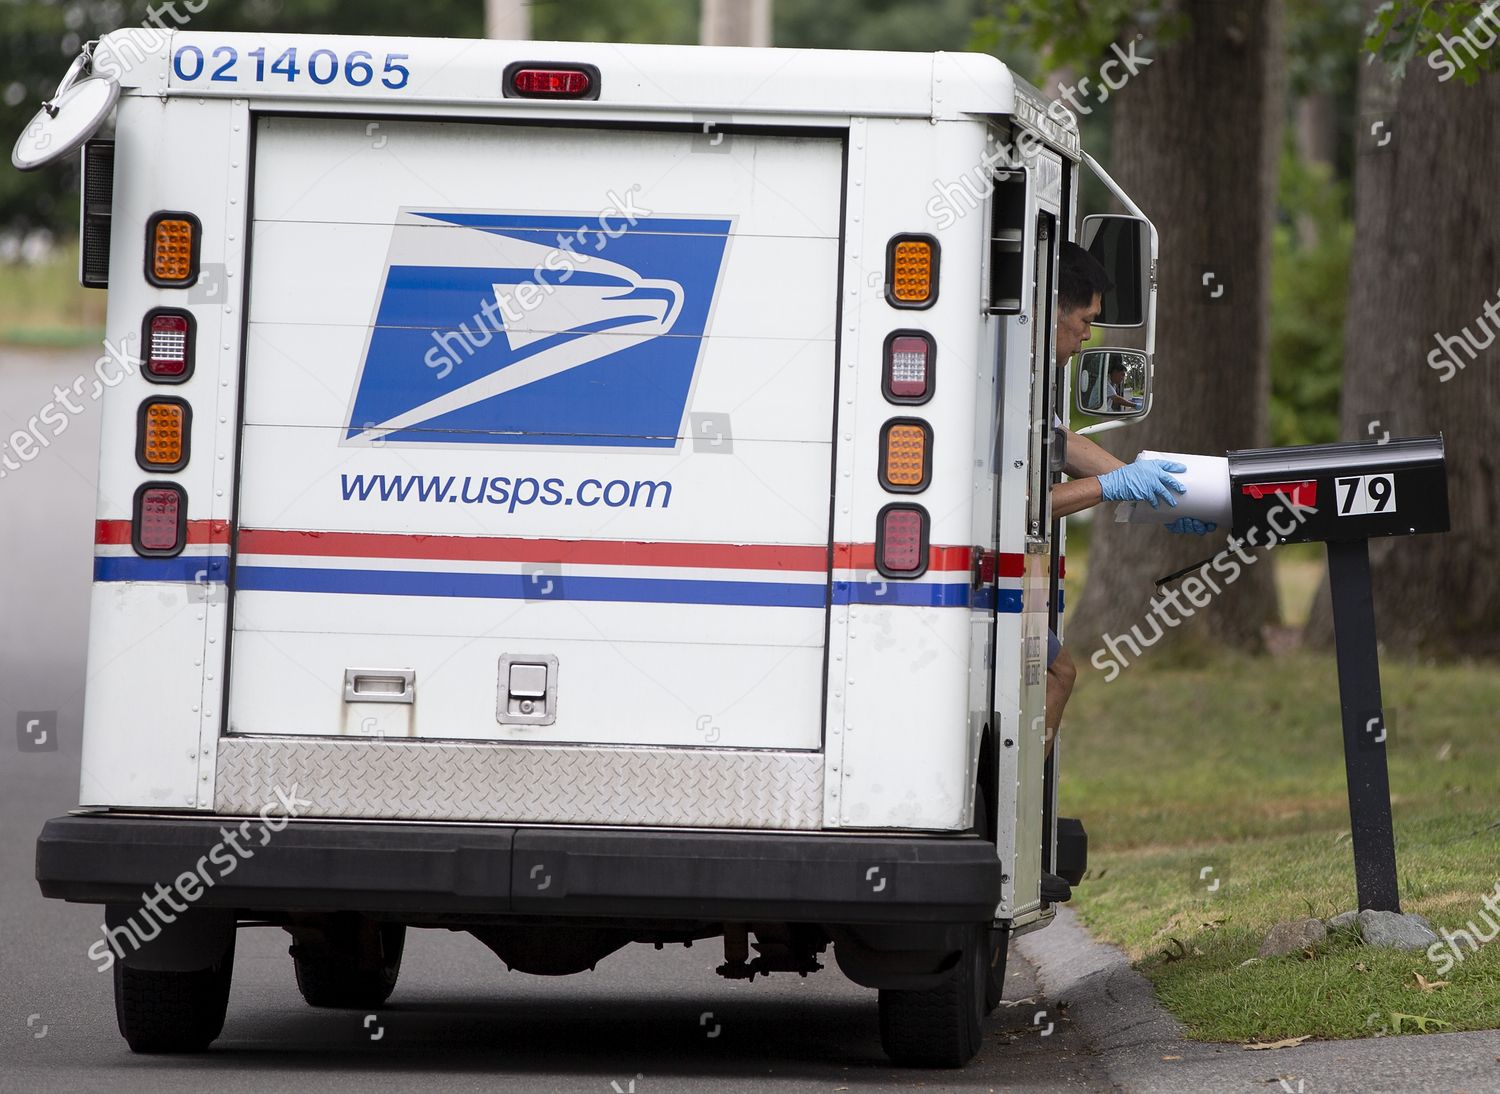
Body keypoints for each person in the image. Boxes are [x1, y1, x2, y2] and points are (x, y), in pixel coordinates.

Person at [1036, 242, 1213, 902]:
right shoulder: (999, 367)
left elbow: (1060, 445)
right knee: (1057, 672)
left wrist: (1155, 495)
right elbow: (1024, 502)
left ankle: (1018, 829)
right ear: (1048, 310)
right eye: (1083, 322)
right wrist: (1119, 490)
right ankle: (1017, 836)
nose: (1085, 338)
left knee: (1058, 672)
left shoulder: (1019, 364)